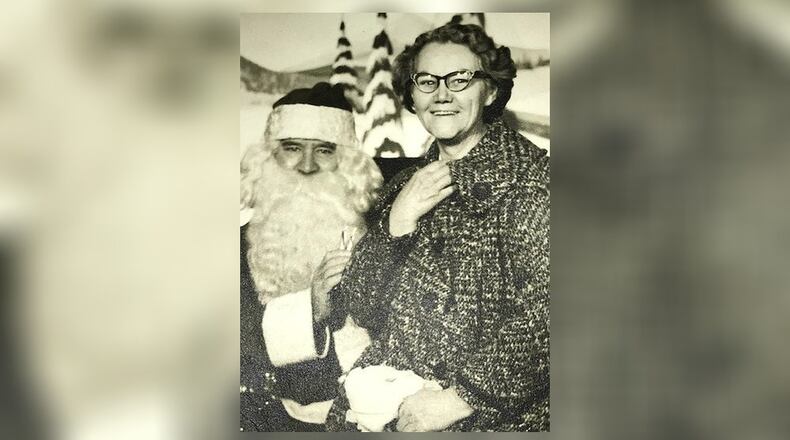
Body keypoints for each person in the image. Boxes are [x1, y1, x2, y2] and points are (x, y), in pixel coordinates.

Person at [321, 23, 550, 431]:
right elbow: (360, 306)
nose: (441, 94)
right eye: (426, 81)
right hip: (387, 410)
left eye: (460, 79)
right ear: (412, 96)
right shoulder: (400, 188)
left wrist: (463, 398)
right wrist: (394, 226)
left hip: (485, 419)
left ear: (491, 91)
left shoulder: (534, 180)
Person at [239, 82, 383, 431]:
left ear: (347, 162)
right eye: (291, 148)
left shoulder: (382, 236)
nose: (306, 166)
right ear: (270, 156)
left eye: (324, 150)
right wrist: (312, 309)